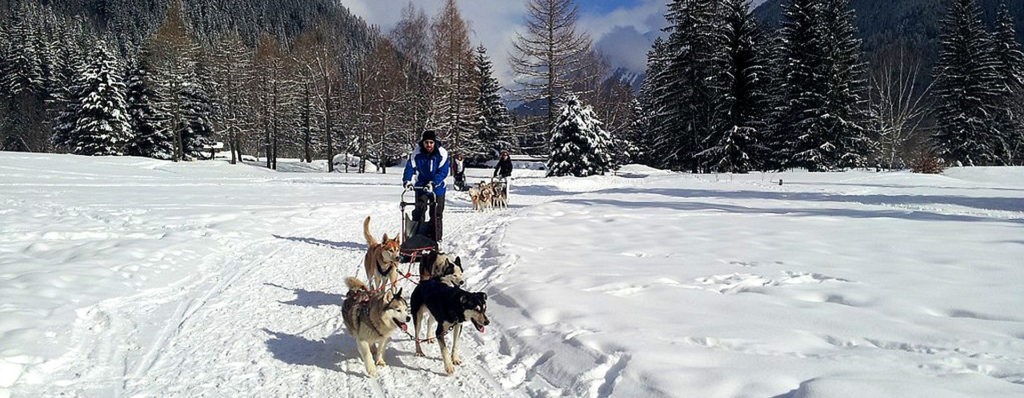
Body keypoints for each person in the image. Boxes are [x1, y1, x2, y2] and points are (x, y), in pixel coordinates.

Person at [403, 130, 449, 243]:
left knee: (436, 212)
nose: (429, 145)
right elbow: (409, 167)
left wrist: (433, 183)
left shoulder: (441, 153)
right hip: (422, 185)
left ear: (434, 142)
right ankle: (417, 237)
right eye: (426, 142)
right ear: (423, 143)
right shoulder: (417, 153)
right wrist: (407, 181)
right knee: (419, 210)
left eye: (431, 142)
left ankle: (437, 239)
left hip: (437, 187)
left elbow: (443, 172)